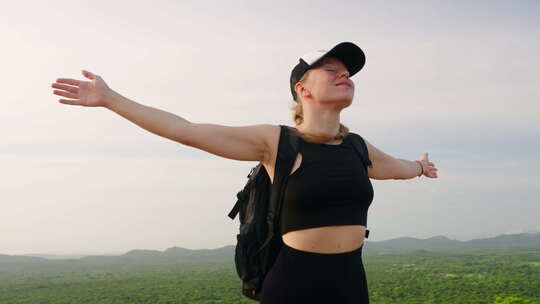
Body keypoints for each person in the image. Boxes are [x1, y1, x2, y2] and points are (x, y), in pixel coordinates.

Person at [51, 41, 438, 303]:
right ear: (301, 89)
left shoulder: (358, 147)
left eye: (348, 72)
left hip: (352, 282)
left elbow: (397, 169)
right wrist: (110, 99)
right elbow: (185, 131)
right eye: (331, 69)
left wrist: (420, 167)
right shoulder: (276, 142)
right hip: (294, 284)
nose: (345, 75)